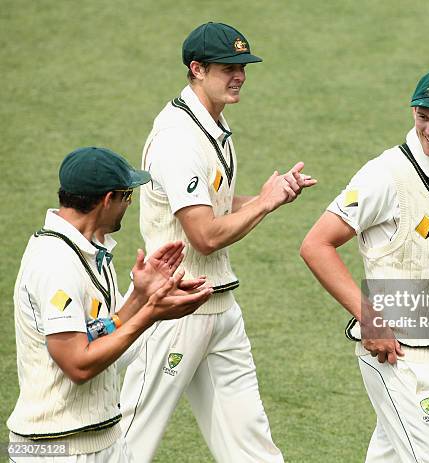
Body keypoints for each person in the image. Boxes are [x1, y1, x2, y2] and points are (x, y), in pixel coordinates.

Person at [119, 22, 315, 462]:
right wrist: (262, 205)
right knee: (130, 440)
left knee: (252, 445)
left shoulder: (212, 124)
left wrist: (273, 195)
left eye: (243, 66)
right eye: (228, 67)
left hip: (220, 307)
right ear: (197, 69)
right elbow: (204, 235)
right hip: (174, 310)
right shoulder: (178, 140)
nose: (239, 75)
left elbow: (217, 205)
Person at [300, 69, 429, 462]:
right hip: (398, 356)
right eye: (422, 116)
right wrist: (370, 318)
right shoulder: (385, 176)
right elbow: (316, 244)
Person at [7, 146, 213, 462]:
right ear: (107, 200)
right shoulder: (55, 264)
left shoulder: (90, 251)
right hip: (56, 449)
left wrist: (141, 297)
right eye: (126, 197)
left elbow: (99, 333)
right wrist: (150, 314)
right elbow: (78, 363)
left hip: (102, 440)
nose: (128, 206)